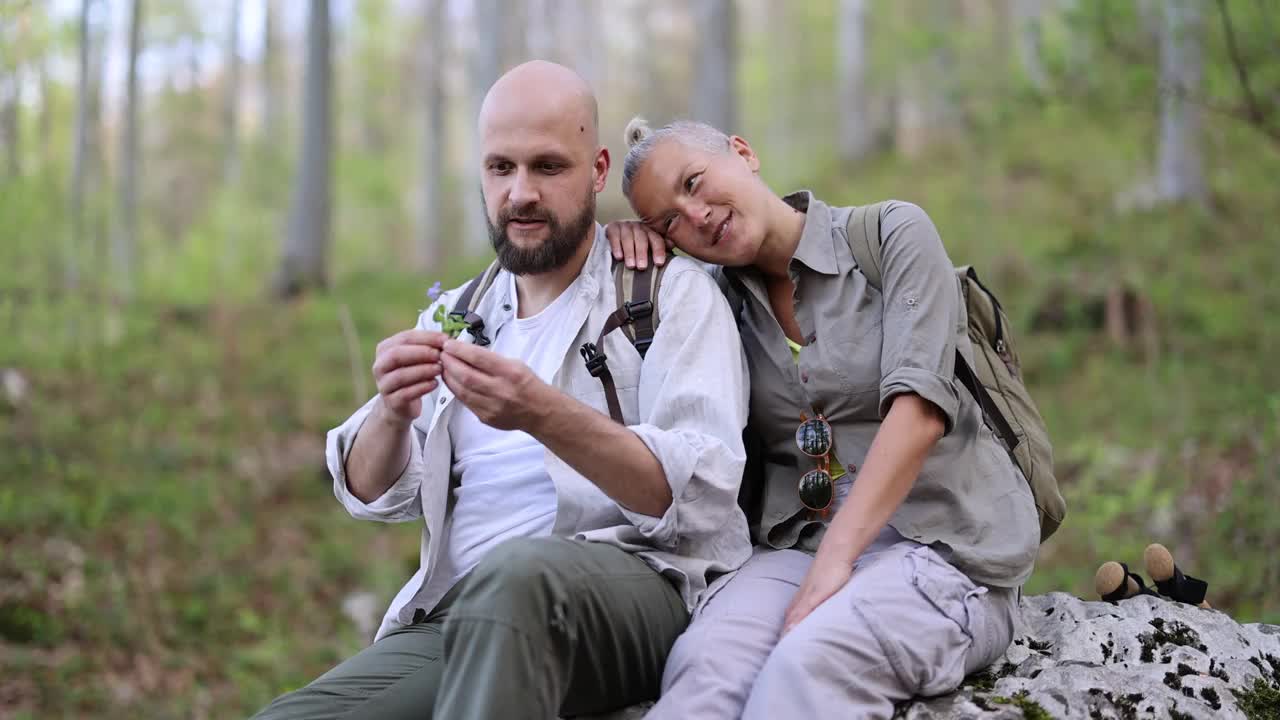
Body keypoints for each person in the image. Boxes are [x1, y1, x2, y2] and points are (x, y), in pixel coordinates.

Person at [251, 64, 752, 720]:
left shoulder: (666, 295)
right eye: (500, 168)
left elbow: (701, 495)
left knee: (517, 581)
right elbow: (370, 493)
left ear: (598, 171)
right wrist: (393, 411)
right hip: (456, 614)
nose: (521, 192)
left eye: (548, 167)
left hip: (635, 591)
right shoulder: (458, 314)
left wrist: (542, 412)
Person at [607, 118, 1040, 720]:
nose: (697, 215)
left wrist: (838, 561)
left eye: (696, 182)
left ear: (743, 152)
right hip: (794, 549)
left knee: (808, 666)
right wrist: (622, 252)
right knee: (706, 670)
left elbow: (919, 413)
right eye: (670, 220)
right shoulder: (709, 301)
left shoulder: (891, 235)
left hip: (944, 549)